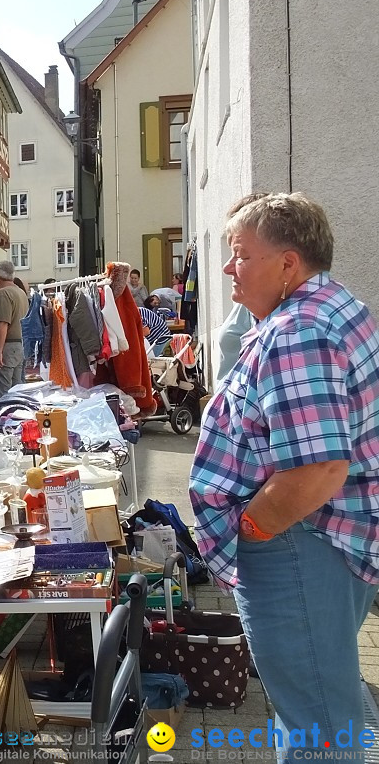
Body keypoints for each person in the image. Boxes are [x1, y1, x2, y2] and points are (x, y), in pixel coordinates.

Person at [190, 192, 379, 759]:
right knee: (320, 705)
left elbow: (318, 468)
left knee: (319, 727)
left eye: (242, 255)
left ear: (288, 263)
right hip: (325, 542)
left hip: (299, 545)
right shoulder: (335, 307)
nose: (228, 268)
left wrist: (251, 528)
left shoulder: (298, 330)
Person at [0, 260, 29, 399]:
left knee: (3, 393)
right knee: (17, 390)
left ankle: (3, 418)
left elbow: (3, 323)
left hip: (7, 345)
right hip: (20, 344)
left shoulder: (3, 293)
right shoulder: (21, 293)